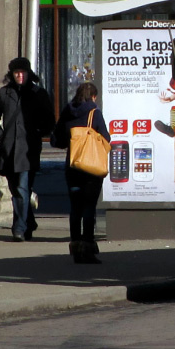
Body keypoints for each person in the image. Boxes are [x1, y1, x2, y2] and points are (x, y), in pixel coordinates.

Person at [0, 57, 54, 242]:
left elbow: (49, 120)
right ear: (12, 74)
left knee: (22, 188)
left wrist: (37, 132)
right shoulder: (4, 93)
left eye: (22, 72)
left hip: (28, 150)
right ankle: (29, 223)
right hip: (8, 150)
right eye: (16, 72)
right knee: (17, 189)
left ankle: (19, 228)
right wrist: (1, 135)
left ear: (28, 73)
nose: (19, 75)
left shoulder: (38, 93)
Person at [52, 82, 110, 264]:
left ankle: (76, 246)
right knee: (89, 207)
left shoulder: (67, 112)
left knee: (75, 207)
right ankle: (88, 247)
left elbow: (56, 139)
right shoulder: (94, 113)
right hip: (91, 167)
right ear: (94, 97)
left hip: (73, 166)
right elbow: (106, 138)